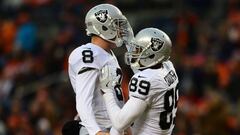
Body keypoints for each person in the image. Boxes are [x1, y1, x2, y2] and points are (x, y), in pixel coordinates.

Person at [66, 3, 133, 135]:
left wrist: (126, 128)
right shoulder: (89, 54)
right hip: (99, 128)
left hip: (111, 127)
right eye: (116, 25)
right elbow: (83, 100)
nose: (120, 30)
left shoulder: (107, 54)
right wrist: (96, 132)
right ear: (104, 27)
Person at [99, 28, 179, 135]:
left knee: (115, 129)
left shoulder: (145, 80)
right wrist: (128, 41)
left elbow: (119, 123)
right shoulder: (168, 67)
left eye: (139, 50)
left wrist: (107, 90)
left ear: (151, 55)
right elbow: (148, 70)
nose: (134, 52)